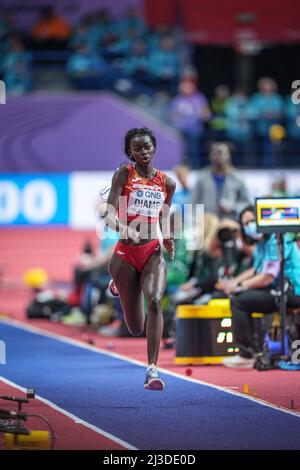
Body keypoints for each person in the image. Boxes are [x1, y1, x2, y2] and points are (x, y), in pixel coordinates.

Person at [105, 127, 176, 390]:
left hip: (152, 252)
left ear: (154, 148)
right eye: (137, 148)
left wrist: (167, 236)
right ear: (130, 152)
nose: (143, 152)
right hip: (124, 255)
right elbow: (110, 214)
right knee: (135, 327)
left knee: (155, 301)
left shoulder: (167, 183)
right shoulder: (124, 174)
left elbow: (163, 216)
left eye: (147, 147)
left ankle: (152, 371)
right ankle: (117, 284)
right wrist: (125, 229)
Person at [221, 205, 300, 368]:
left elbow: (266, 277)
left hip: (293, 291)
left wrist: (240, 286)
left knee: (239, 301)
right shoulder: (262, 243)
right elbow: (255, 270)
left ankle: (247, 353)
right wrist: (233, 282)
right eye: (245, 223)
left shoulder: (276, 240)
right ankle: (253, 350)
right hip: (278, 289)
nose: (249, 225)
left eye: (252, 221)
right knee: (239, 297)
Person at [190, 141, 250, 219]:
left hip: (230, 223)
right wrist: (198, 218)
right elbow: (193, 203)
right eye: (215, 153)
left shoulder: (237, 177)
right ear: (210, 156)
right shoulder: (202, 178)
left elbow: (246, 203)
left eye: (221, 153)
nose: (218, 157)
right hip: (207, 224)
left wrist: (233, 208)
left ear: (228, 155)